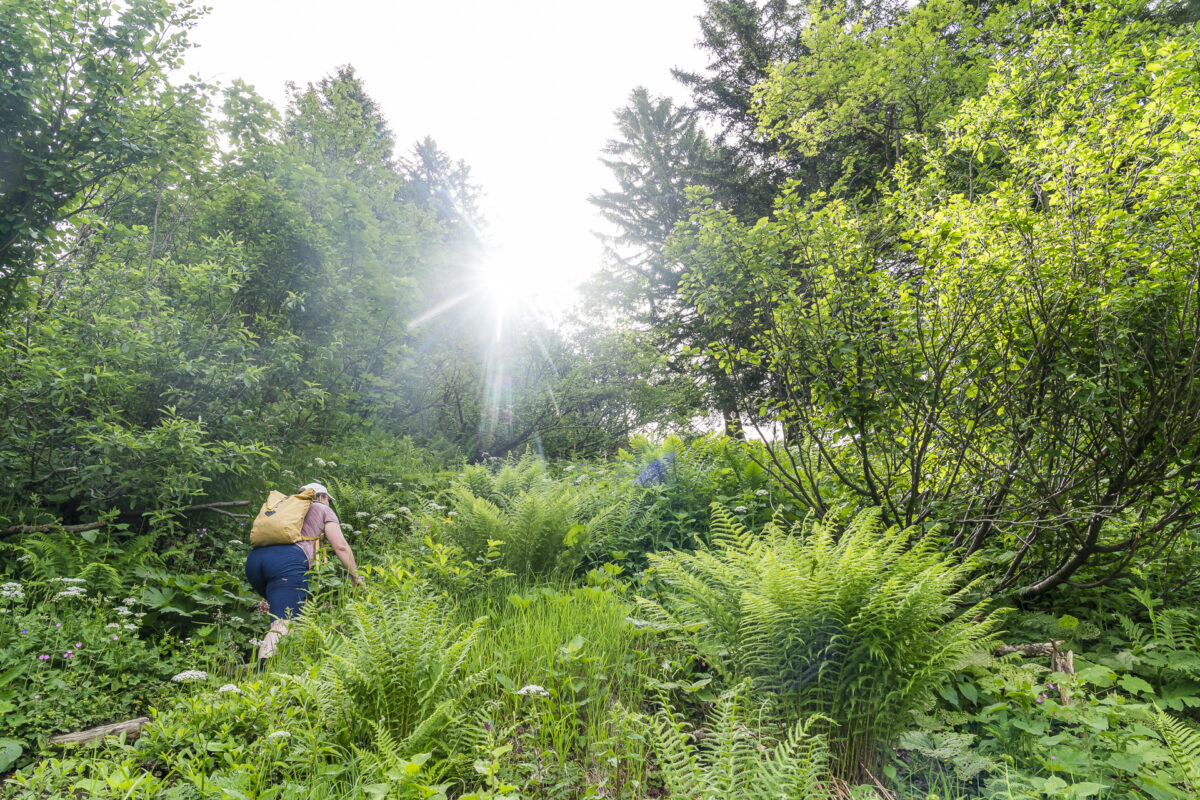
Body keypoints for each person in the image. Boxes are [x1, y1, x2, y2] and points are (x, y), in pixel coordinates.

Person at [244, 482, 364, 668]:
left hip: (255, 561)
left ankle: (277, 664)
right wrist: (355, 576)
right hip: (287, 562)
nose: (329, 504)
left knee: (281, 616)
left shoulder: (287, 507)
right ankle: (262, 675)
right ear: (322, 497)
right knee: (282, 623)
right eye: (328, 500)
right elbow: (340, 546)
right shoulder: (321, 509)